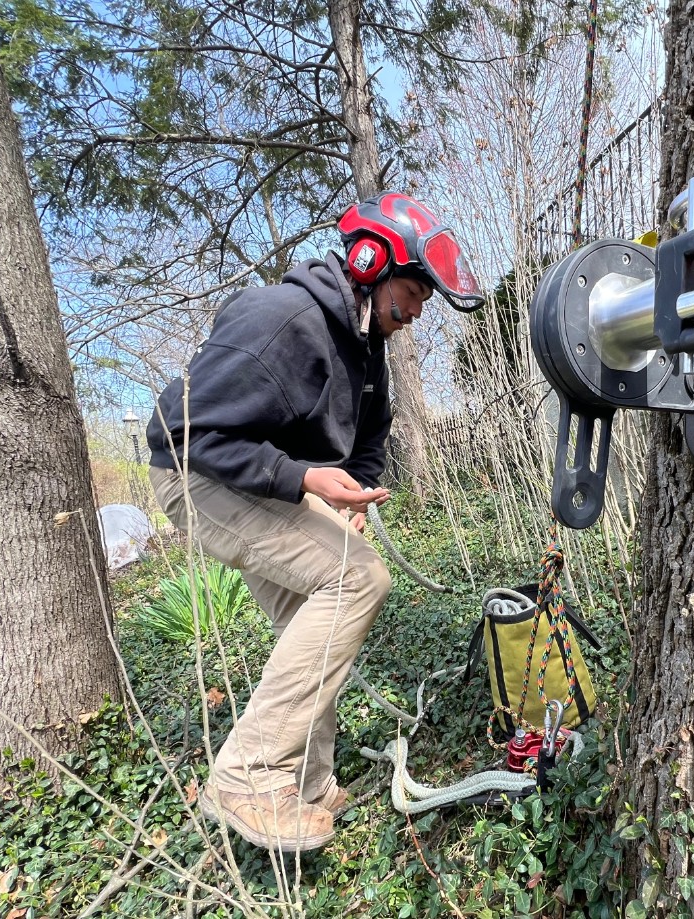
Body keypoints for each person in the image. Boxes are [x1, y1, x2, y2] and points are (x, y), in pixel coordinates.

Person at [147, 192, 484, 853]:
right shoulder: (285, 319)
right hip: (200, 477)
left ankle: (304, 782)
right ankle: (249, 775)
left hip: (259, 482)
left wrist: (350, 493)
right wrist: (302, 479)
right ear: (371, 262)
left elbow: (371, 432)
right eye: (413, 294)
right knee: (359, 580)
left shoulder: (365, 344)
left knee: (313, 617)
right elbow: (178, 430)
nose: (418, 312)